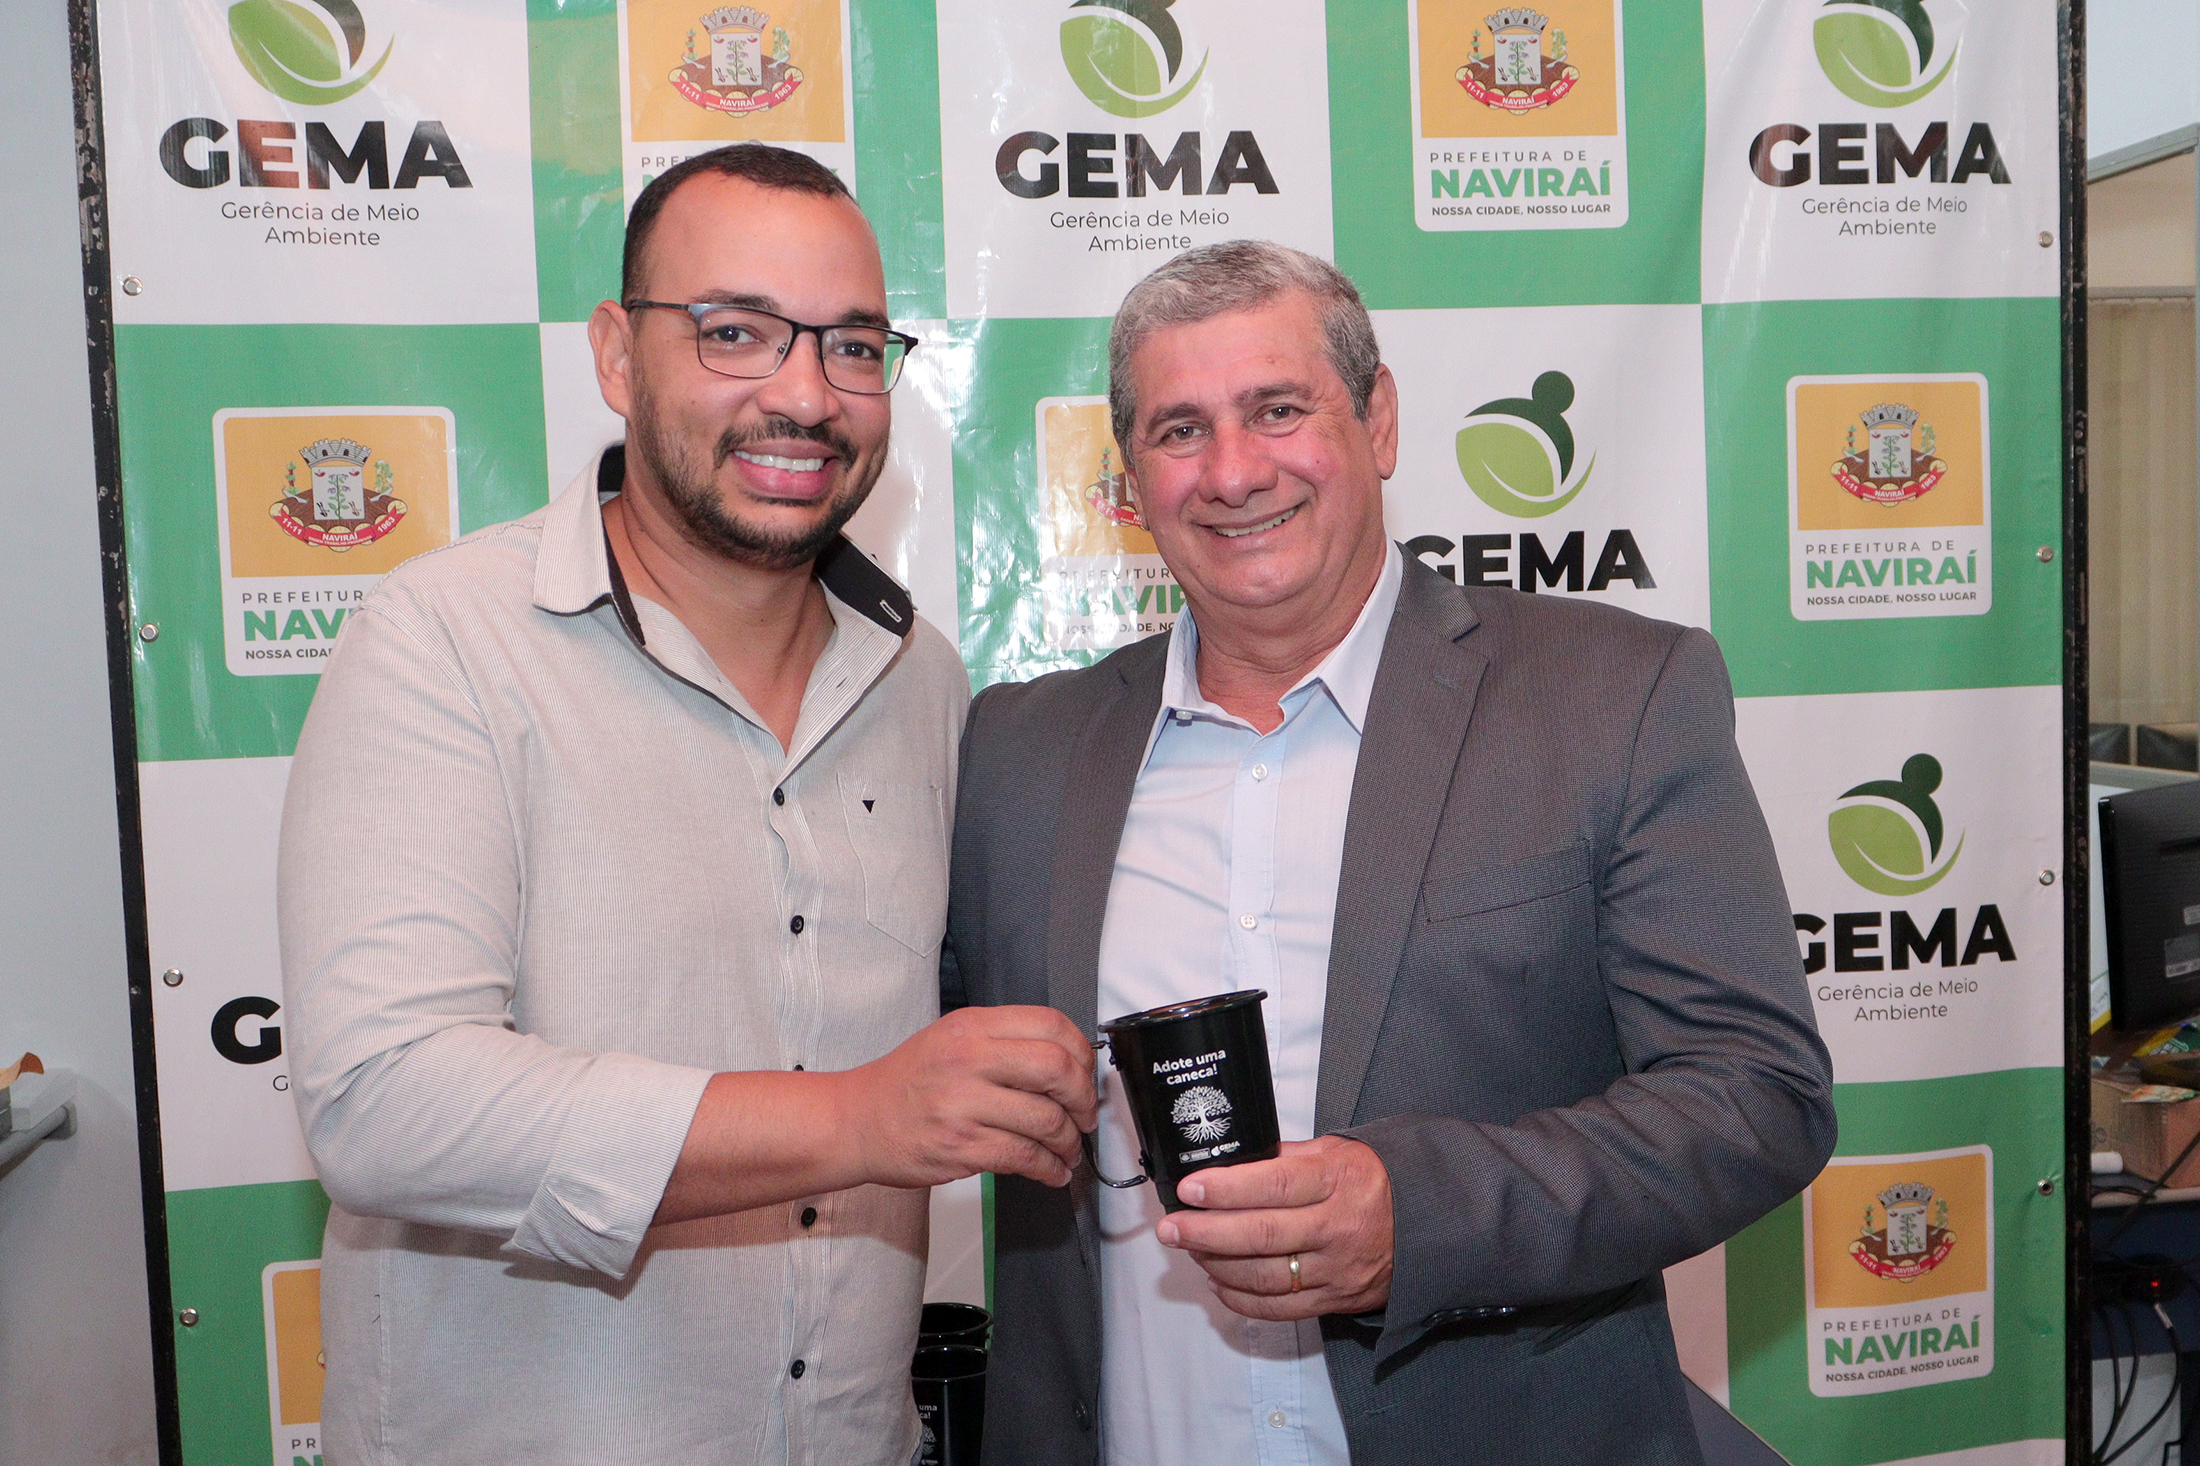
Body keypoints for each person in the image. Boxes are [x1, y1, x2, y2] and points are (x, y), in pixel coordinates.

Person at [942, 240, 1837, 1465]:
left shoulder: (1615, 698)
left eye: (1278, 409)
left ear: (1378, 420)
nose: (1234, 471)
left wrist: (1418, 1215)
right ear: (1132, 477)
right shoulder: (1016, 751)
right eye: (1180, 430)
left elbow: (1756, 1095)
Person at [280, 143, 1095, 1466]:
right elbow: (383, 1102)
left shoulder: (924, 683)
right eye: (735, 332)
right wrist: (858, 1116)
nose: (804, 395)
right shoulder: (444, 641)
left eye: (852, 346)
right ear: (617, 354)